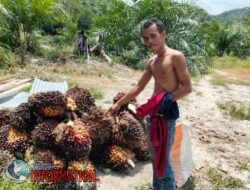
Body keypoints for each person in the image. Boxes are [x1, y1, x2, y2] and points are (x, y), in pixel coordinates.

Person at [107, 18, 192, 190]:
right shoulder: (152, 62)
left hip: (166, 116)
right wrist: (118, 104)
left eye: (153, 36)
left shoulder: (176, 57)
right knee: (154, 158)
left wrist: (165, 100)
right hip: (152, 116)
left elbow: (187, 87)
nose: (149, 41)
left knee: (163, 160)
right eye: (145, 38)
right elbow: (138, 87)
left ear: (163, 35)